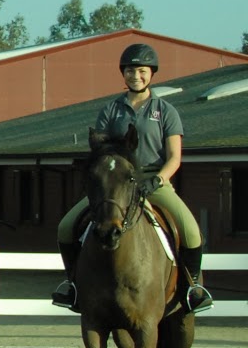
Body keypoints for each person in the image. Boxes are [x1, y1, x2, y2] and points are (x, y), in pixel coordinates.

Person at [50, 43, 213, 313]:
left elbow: (174, 156)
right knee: (66, 227)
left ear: (151, 74)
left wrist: (158, 180)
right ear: (122, 74)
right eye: (129, 71)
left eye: (141, 70)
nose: (135, 75)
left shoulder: (166, 111)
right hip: (115, 185)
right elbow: (100, 151)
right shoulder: (110, 110)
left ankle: (193, 288)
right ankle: (73, 285)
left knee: (192, 231)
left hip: (153, 180)